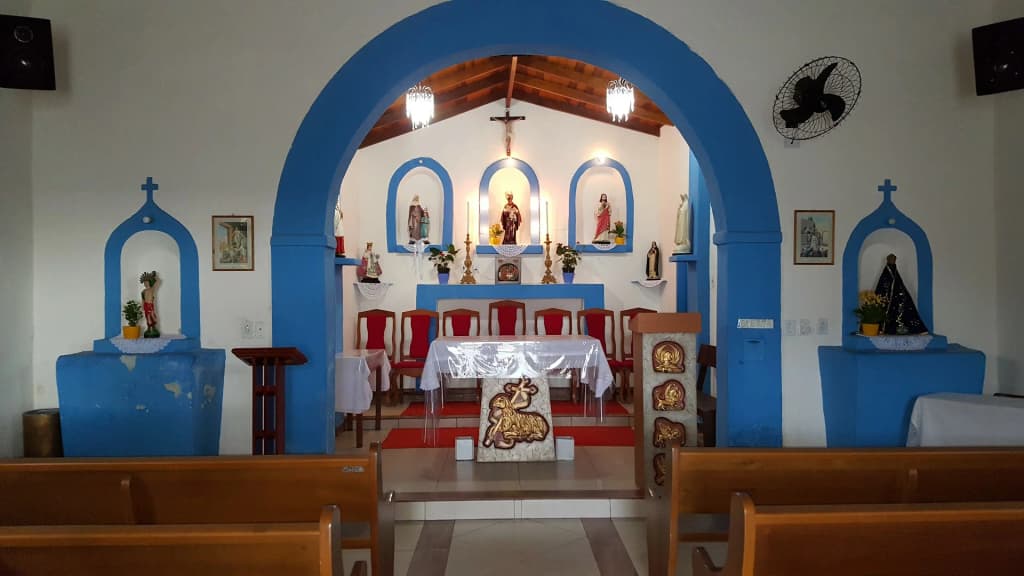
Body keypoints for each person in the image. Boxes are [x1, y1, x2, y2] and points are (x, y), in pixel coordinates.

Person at [874, 254, 927, 335]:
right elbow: (882, 287)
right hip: (886, 298)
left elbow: (899, 286)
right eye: (891, 259)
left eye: (893, 260)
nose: (892, 261)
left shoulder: (895, 273)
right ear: (888, 260)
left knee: (904, 307)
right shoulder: (886, 273)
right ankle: (882, 328)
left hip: (897, 299)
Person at [140, 271, 160, 338]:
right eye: (144, 283)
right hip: (146, 305)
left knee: (152, 316)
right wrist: (142, 306)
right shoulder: (143, 291)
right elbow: (143, 300)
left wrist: (153, 276)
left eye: (147, 282)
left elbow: (156, 282)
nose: (146, 283)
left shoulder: (152, 289)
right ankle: (149, 327)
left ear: (150, 282)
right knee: (147, 317)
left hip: (150, 305)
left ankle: (153, 327)